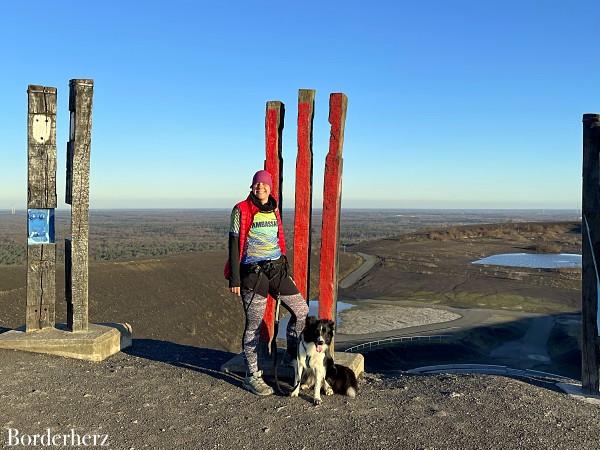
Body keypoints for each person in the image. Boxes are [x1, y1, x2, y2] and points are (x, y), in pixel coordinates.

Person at [226, 169, 309, 396]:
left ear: (270, 188)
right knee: (253, 325)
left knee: (302, 310)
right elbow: (233, 244)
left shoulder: (273, 209)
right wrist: (235, 278)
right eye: (256, 184)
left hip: (276, 270)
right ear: (251, 186)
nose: (260, 187)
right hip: (252, 274)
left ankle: (291, 357)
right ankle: (252, 375)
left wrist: (286, 269)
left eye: (264, 184)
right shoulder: (240, 210)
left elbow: (279, 241)